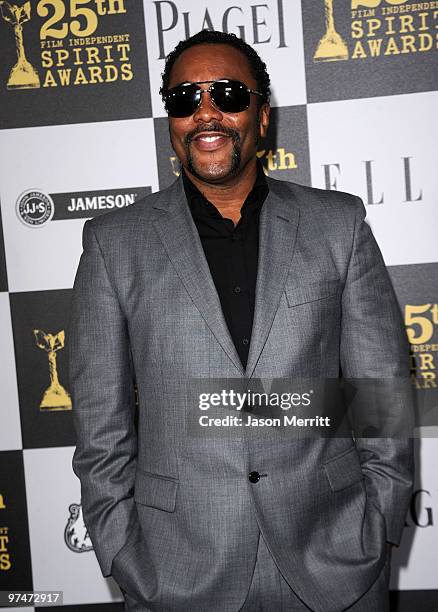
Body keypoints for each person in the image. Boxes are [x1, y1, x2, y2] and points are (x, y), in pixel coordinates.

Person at [69, 30, 414, 612]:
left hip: (333, 563)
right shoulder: (113, 243)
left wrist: (376, 525)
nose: (207, 112)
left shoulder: (339, 224)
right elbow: (99, 425)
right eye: (185, 99)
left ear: (262, 114)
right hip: (174, 574)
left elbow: (380, 395)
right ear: (171, 123)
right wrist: (122, 550)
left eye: (228, 94)